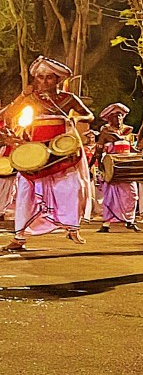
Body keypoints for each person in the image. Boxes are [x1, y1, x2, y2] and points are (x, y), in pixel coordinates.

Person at [2, 56, 94, 250]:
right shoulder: (30, 98)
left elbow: (89, 115)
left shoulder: (68, 99)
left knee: (70, 189)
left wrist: (76, 120)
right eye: (40, 77)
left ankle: (72, 228)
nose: (43, 82)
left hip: (60, 151)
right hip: (35, 151)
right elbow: (7, 115)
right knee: (27, 193)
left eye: (49, 78)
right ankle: (19, 237)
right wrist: (21, 95)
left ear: (57, 79)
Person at [95, 103, 141, 232]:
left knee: (132, 194)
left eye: (120, 116)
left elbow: (131, 148)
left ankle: (130, 220)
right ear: (110, 118)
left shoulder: (128, 131)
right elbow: (98, 150)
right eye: (115, 116)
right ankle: (106, 224)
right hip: (112, 168)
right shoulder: (105, 131)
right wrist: (100, 167)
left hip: (127, 168)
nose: (118, 119)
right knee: (111, 196)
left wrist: (140, 154)